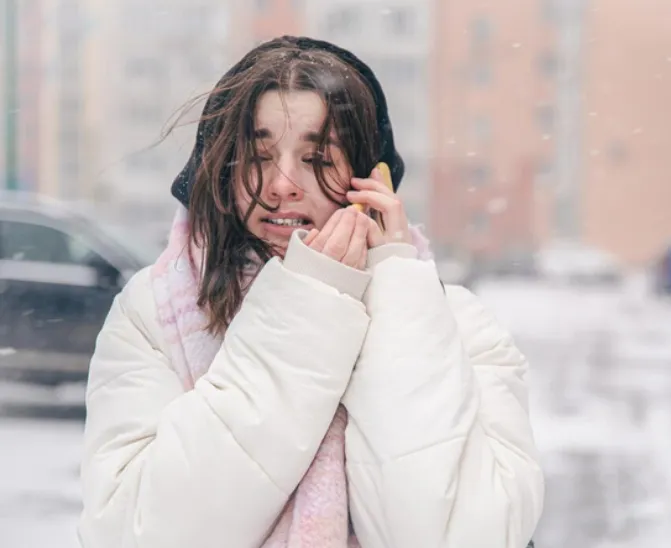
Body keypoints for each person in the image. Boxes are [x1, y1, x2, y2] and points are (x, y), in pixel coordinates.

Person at [78, 36, 544, 548]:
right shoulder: (154, 316)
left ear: (370, 179)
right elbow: (139, 533)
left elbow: (450, 535)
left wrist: (394, 286)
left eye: (317, 156)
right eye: (258, 155)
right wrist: (307, 305)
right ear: (221, 172)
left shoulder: (456, 325)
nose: (282, 184)